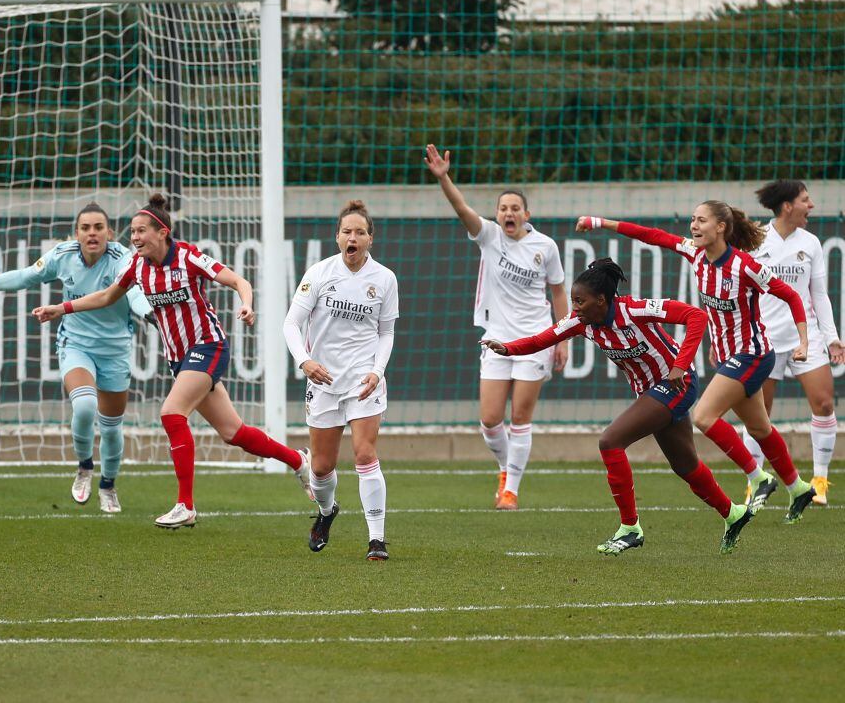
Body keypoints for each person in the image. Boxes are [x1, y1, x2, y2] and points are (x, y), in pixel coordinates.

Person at [33, 194, 312, 528]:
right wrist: (60, 308)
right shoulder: (137, 267)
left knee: (170, 412)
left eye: (141, 231)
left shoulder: (189, 257)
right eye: (132, 232)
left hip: (209, 346)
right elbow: (107, 296)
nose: (134, 238)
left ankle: (185, 505)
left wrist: (247, 305)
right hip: (180, 359)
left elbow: (239, 280)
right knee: (232, 432)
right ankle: (298, 461)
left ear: (162, 232)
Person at [484, 259, 753, 555]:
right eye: (573, 301)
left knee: (610, 441)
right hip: (652, 392)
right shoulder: (581, 322)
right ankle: (733, 513)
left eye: (580, 301)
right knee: (686, 466)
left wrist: (680, 365)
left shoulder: (635, 309)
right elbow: (541, 339)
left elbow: (696, 316)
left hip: (677, 384)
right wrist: (508, 348)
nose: (575, 308)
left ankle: (630, 528)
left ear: (601, 300)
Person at [577, 203, 818, 523]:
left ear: (720, 227)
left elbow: (790, 296)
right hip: (728, 357)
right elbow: (651, 235)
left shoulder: (745, 266)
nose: (693, 225)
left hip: (754, 354)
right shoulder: (695, 253)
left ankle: (759, 478)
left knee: (705, 416)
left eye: (701, 220)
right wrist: (599, 221)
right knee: (759, 427)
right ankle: (799, 487)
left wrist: (803, 341)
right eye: (692, 219)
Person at [0, 203, 154, 513]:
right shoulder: (63, 255)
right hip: (76, 345)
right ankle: (84, 467)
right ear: (76, 233)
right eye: (85, 228)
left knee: (110, 427)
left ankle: (108, 485)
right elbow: (27, 276)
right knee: (84, 406)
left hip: (115, 350)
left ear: (109, 233)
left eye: (98, 228)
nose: (92, 233)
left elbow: (135, 295)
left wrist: (151, 314)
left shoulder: (123, 259)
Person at [424, 144, 568, 510]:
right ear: (497, 214)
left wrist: (563, 337)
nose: (508, 213)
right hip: (496, 339)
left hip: (537, 339)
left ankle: (511, 490)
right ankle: (506, 468)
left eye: (514, 208)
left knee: (520, 417)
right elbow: (461, 209)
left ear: (526, 214)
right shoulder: (488, 236)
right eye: (503, 208)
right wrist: (444, 178)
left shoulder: (545, 247)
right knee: (490, 420)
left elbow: (558, 291)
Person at [283, 200, 399, 561]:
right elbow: (291, 324)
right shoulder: (319, 274)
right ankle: (326, 511)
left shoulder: (384, 279)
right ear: (337, 237)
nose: (353, 237)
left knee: (365, 454)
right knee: (321, 467)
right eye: (347, 231)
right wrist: (305, 361)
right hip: (323, 379)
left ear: (370, 239)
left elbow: (386, 333)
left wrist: (377, 371)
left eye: (359, 232)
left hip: (363, 379)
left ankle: (376, 540)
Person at [741, 180, 843, 505]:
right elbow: (743, 292)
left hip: (806, 336)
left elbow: (819, 295)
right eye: (805, 200)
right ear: (787, 206)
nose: (810, 205)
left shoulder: (811, 243)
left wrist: (833, 338)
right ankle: (755, 482)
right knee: (759, 414)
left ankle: (820, 480)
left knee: (825, 403)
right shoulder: (756, 240)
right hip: (765, 340)